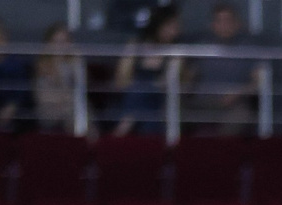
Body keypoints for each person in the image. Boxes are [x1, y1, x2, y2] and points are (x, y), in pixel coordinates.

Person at [111, 4, 191, 137]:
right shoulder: (136, 45)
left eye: (177, 27)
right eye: (171, 26)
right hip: (133, 97)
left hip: (160, 99)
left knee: (143, 97)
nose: (176, 31)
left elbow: (170, 83)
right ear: (159, 26)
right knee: (139, 94)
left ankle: (124, 127)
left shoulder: (176, 51)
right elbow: (121, 79)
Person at [200, 1, 259, 134]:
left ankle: (221, 153)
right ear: (212, 24)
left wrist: (237, 93)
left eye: (228, 20)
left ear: (237, 23)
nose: (224, 25)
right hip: (204, 101)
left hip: (235, 103)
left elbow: (258, 81)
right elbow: (189, 75)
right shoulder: (202, 47)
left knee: (239, 118)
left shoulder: (249, 48)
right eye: (219, 21)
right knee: (175, 111)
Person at [33, 23, 85, 135]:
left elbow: (80, 90)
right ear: (48, 44)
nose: (60, 46)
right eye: (56, 42)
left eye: (64, 42)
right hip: (49, 109)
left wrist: (77, 61)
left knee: (81, 112)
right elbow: (42, 96)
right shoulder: (42, 65)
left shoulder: (72, 63)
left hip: (70, 108)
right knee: (72, 113)